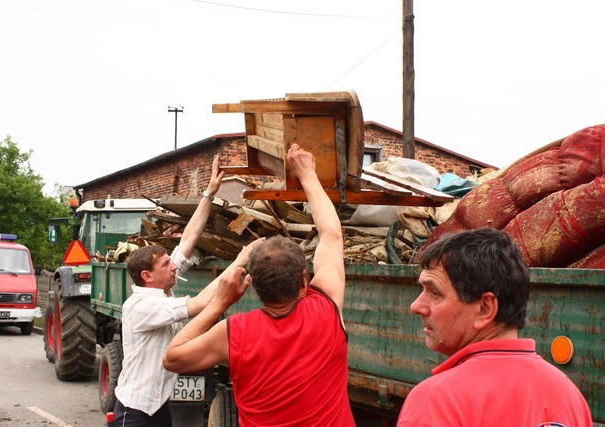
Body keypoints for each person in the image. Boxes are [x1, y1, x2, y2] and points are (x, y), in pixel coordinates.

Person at [163, 144, 356, 426]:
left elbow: (173, 358)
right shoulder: (325, 310)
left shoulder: (234, 332)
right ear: (304, 281)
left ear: (251, 286)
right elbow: (331, 235)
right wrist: (307, 174)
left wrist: (220, 302)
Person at [110, 153, 263, 426]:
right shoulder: (142, 305)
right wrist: (241, 260)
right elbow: (205, 300)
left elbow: (189, 238)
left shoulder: (161, 287)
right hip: (136, 412)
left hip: (158, 407)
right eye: (166, 263)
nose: (174, 266)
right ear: (147, 275)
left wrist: (209, 193)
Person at [397, 227, 592, 426]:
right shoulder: (570, 397)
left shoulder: (437, 401)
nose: (416, 306)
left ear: (484, 308)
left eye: (434, 293)